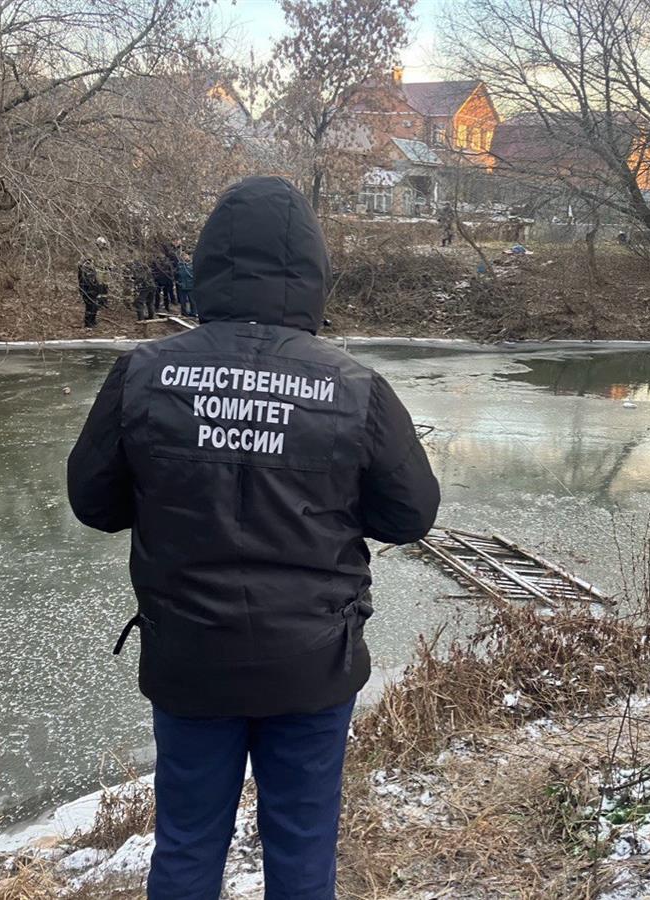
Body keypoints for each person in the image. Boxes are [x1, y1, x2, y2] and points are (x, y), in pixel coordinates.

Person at [66, 176, 440, 900]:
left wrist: (169, 488)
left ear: (208, 267)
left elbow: (94, 504)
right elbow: (409, 516)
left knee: (185, 844)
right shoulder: (355, 387)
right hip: (313, 661)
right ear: (312, 274)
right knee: (302, 847)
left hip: (189, 657)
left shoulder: (142, 375)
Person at [77, 237, 110, 328]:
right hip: (87, 288)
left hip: (94, 287)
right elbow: (84, 279)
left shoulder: (92, 267)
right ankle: (88, 324)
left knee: (94, 305)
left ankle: (93, 321)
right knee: (90, 306)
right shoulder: (84, 268)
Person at [151, 244, 178, 312]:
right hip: (158, 279)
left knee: (166, 294)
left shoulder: (167, 260)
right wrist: (154, 277)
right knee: (157, 294)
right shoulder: (155, 261)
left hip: (166, 279)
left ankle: (166, 307)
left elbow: (171, 270)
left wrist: (171, 278)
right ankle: (157, 307)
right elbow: (153, 270)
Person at [176, 251, 195, 318]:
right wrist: (178, 282)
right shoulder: (179, 265)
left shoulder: (192, 264)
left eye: (186, 255)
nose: (184, 257)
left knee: (192, 301)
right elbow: (176, 274)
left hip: (191, 285)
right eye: (183, 256)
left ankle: (194, 313)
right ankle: (184, 313)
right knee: (183, 301)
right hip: (182, 285)